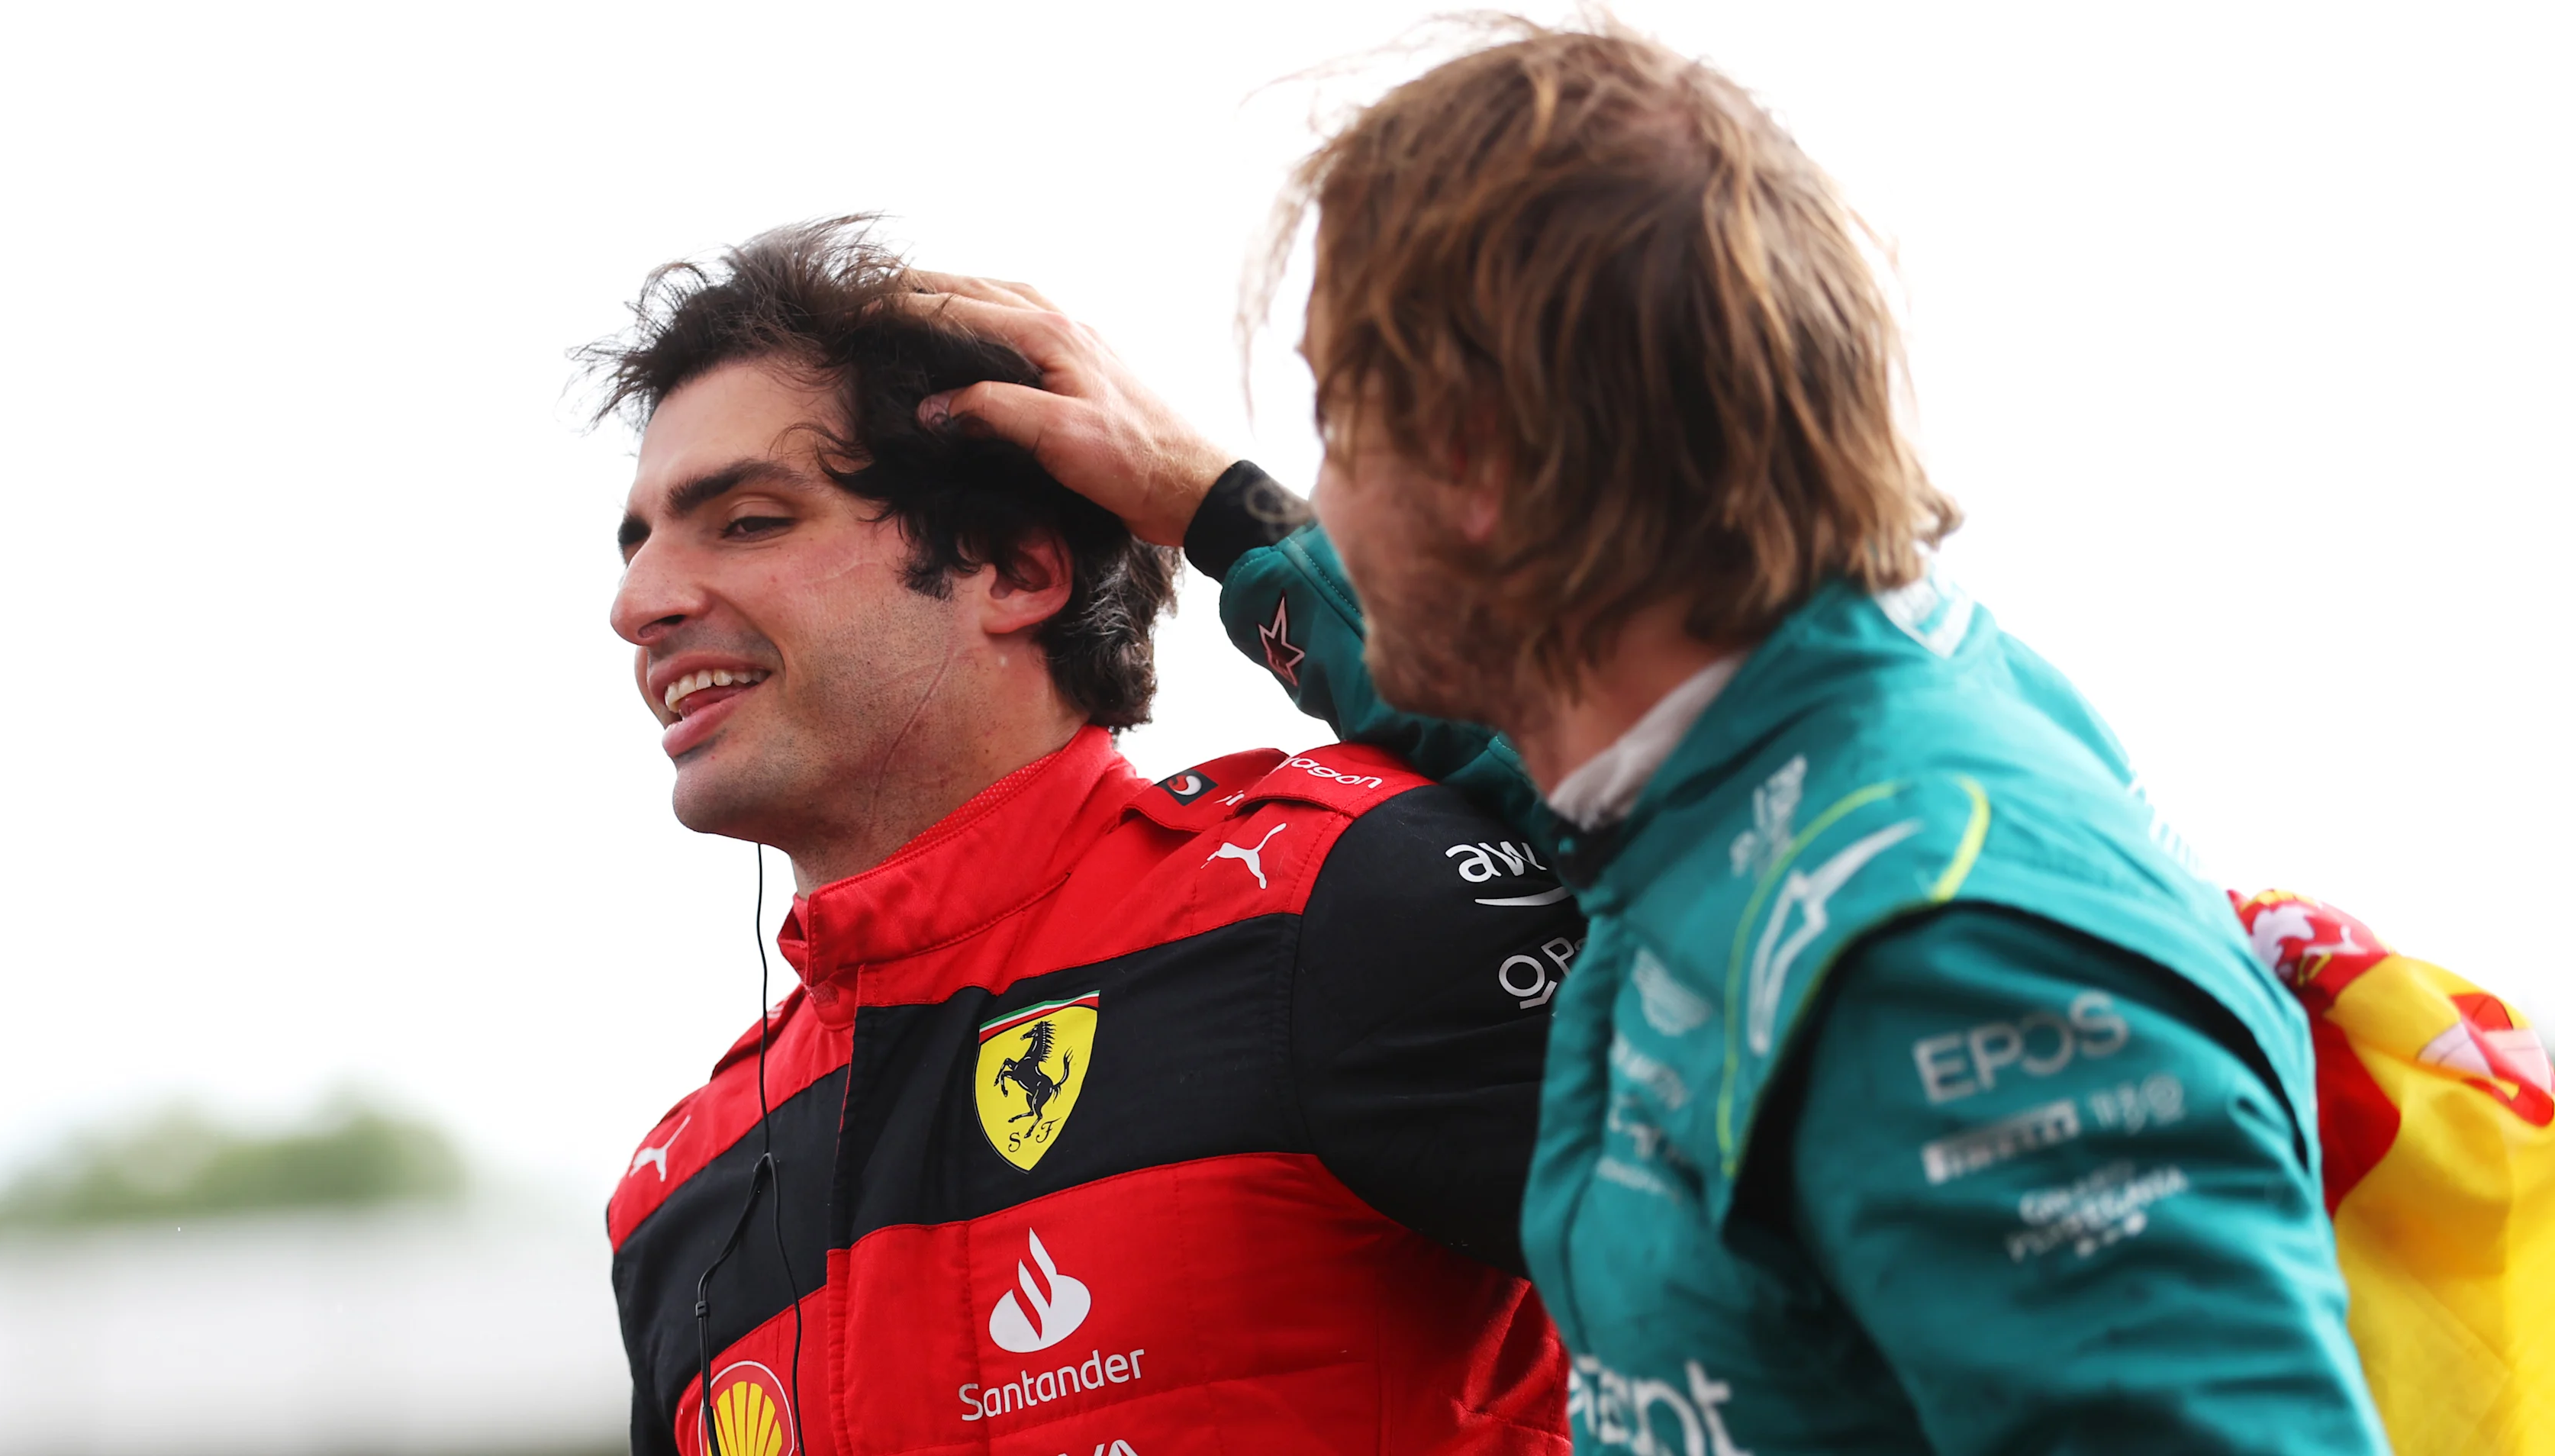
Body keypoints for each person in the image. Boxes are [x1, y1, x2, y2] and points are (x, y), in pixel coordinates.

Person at [903, 20, 2399, 1454]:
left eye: (1339, 424)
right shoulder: (1795, 736)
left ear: (1475, 459)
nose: (1327, 489)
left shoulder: (1927, 951)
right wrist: (1221, 513)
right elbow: (1496, 723)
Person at [583, 217, 1581, 1456]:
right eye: (638, 544)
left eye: (748, 521)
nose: (638, 604)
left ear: (1012, 569)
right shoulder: (681, 1191)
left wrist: (1234, 517)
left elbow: (1714, 864)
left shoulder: (1332, 902)